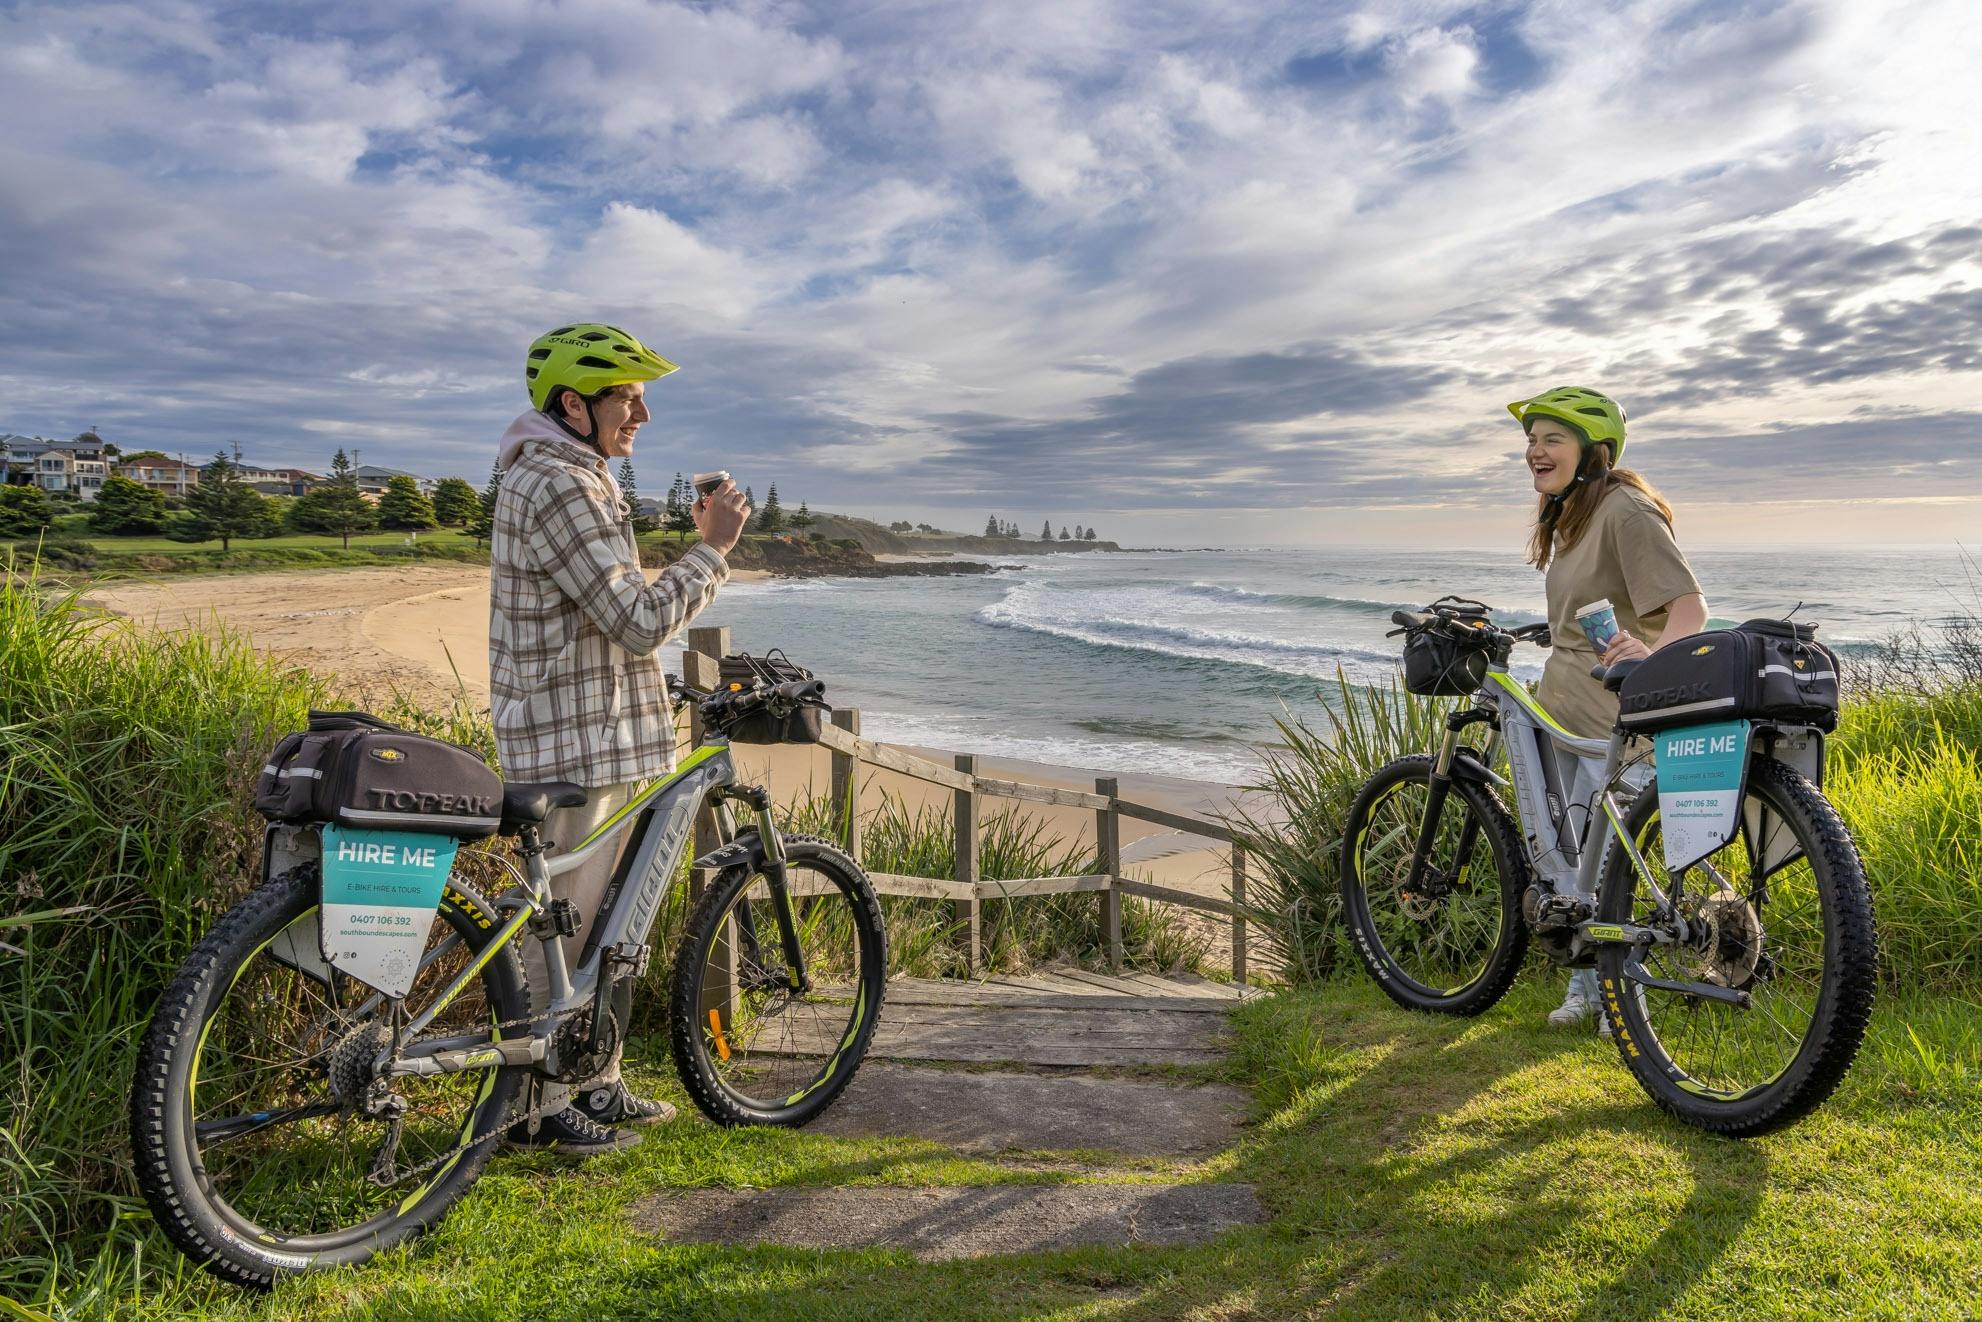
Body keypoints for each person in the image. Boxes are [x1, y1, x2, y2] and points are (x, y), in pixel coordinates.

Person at [490, 323, 751, 1153]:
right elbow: (637, 622)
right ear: (573, 404)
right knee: (566, 930)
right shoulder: (559, 487)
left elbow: (602, 616)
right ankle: (539, 1108)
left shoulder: (580, 477)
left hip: (598, 735)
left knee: (607, 926)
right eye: (626, 397)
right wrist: (711, 551)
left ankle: (592, 1083)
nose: (641, 413)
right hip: (575, 747)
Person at [1509, 386, 1709, 1032]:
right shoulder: (1571, 516)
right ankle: (1585, 989)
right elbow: (1592, 613)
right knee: (1575, 860)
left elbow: (1688, 611)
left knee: (1619, 866)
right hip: (1564, 714)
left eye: (1551, 439)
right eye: (1532, 440)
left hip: (1614, 726)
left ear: (1592, 452)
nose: (1536, 451)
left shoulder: (1625, 508)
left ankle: (1630, 997)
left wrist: (1651, 660)